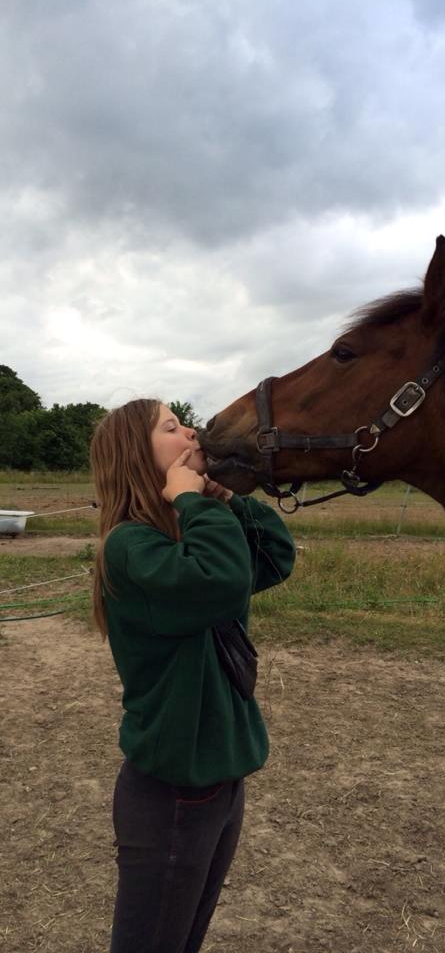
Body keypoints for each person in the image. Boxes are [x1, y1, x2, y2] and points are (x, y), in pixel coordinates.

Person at [90, 398, 295, 953]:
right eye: (172, 427)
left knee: (182, 939)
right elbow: (222, 581)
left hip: (219, 777)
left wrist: (222, 498)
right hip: (176, 791)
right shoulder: (131, 548)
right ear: (137, 454)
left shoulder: (185, 537)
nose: (193, 434)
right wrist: (190, 499)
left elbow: (274, 557)